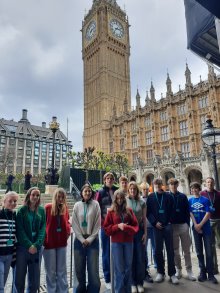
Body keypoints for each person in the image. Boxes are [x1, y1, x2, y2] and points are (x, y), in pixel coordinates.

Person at [104, 189, 139, 293]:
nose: (119, 200)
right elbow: (106, 229)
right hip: (116, 243)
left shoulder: (129, 211)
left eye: (121, 198)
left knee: (128, 268)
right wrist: (117, 226)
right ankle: (119, 290)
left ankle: (127, 290)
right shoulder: (111, 212)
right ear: (115, 199)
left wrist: (127, 228)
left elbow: (136, 226)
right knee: (119, 269)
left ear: (124, 198)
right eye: (117, 198)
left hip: (128, 242)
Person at [147, 178, 178, 284]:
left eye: (159, 184)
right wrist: (154, 222)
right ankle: (160, 272)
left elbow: (173, 210)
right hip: (156, 227)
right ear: (153, 185)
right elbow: (148, 212)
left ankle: (172, 273)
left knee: (170, 250)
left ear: (162, 185)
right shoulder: (150, 197)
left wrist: (169, 221)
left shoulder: (168, 196)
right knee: (157, 250)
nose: (158, 185)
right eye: (156, 184)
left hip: (167, 226)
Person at [15, 187, 46, 293]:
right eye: (33, 195)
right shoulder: (21, 211)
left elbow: (43, 229)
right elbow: (20, 230)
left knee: (35, 279)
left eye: (38, 195)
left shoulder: (42, 210)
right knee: (19, 278)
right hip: (23, 248)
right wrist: (29, 245)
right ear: (29, 195)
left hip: (37, 249)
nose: (35, 197)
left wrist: (36, 245)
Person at [72, 184, 101, 293]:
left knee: (93, 269)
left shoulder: (96, 204)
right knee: (79, 269)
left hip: (92, 240)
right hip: (79, 241)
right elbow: (74, 223)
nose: (88, 193)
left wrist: (89, 239)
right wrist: (81, 238)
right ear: (82, 193)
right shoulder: (77, 205)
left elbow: (98, 224)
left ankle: (93, 290)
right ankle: (80, 290)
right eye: (85, 191)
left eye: (89, 191)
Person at [189, 182, 218, 284]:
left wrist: (200, 224)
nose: (194, 190)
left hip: (205, 228)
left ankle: (210, 274)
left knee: (209, 252)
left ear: (199, 189)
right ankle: (202, 272)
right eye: (192, 188)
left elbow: (208, 213)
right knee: (199, 252)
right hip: (196, 229)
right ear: (191, 190)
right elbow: (190, 213)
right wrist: (196, 225)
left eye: (196, 188)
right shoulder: (190, 200)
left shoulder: (205, 200)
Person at [43, 188, 71, 293]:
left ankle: (63, 291)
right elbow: (43, 224)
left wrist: (68, 231)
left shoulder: (65, 208)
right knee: (50, 271)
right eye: (58, 197)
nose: (60, 199)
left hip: (62, 243)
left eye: (62, 197)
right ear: (55, 197)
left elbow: (67, 222)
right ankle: (51, 291)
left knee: (62, 270)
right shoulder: (48, 208)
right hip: (49, 243)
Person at [168, 178, 196, 281]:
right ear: (169, 186)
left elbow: (187, 211)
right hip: (173, 226)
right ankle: (178, 269)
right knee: (175, 251)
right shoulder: (167, 196)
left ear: (177, 185)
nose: (173, 186)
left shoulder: (183, 196)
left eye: (175, 184)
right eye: (171, 184)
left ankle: (189, 270)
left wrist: (187, 224)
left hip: (183, 225)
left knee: (187, 250)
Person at [95, 172, 118, 289]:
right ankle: (108, 278)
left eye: (111, 178)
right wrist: (103, 223)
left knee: (117, 251)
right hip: (105, 227)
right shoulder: (100, 192)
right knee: (106, 252)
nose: (109, 180)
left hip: (117, 226)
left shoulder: (117, 191)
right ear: (104, 180)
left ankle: (116, 275)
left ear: (113, 180)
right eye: (107, 178)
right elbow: (97, 208)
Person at [126, 181, 147, 293]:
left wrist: (145, 233)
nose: (133, 191)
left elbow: (144, 219)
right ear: (128, 190)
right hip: (128, 232)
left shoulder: (142, 202)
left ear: (137, 190)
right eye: (131, 189)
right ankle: (132, 282)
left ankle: (140, 282)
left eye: (134, 189)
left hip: (139, 231)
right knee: (130, 258)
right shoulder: (125, 201)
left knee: (140, 258)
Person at [200, 177, 220, 275]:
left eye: (211, 182)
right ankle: (214, 269)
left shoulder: (219, 194)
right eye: (208, 182)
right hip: (208, 222)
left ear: (214, 183)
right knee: (211, 247)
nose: (210, 184)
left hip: (218, 221)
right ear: (205, 183)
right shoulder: (202, 194)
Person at [0, 191, 18, 293]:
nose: (12, 203)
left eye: (15, 201)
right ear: (4, 201)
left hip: (10, 255)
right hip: (0, 254)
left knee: (4, 282)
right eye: (10, 201)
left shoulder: (14, 216)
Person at [139, 182, 155, 284]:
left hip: (153, 227)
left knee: (156, 248)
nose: (145, 191)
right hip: (143, 228)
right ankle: (146, 269)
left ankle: (158, 268)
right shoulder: (139, 200)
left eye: (146, 189)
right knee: (144, 251)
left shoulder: (152, 199)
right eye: (143, 189)